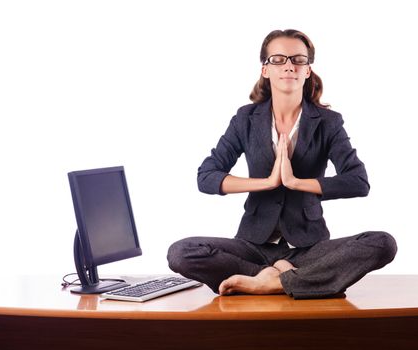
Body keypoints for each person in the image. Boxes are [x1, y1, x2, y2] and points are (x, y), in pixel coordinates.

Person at [167, 29, 397, 299]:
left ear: (307, 70)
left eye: (298, 59)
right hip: (254, 244)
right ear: (265, 70)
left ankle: (271, 282)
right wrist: (268, 182)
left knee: (382, 243)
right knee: (181, 252)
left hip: (308, 248)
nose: (289, 65)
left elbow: (358, 181)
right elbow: (206, 176)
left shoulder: (328, 122)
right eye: (278, 59)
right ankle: (289, 277)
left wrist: (295, 182)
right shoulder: (246, 118)